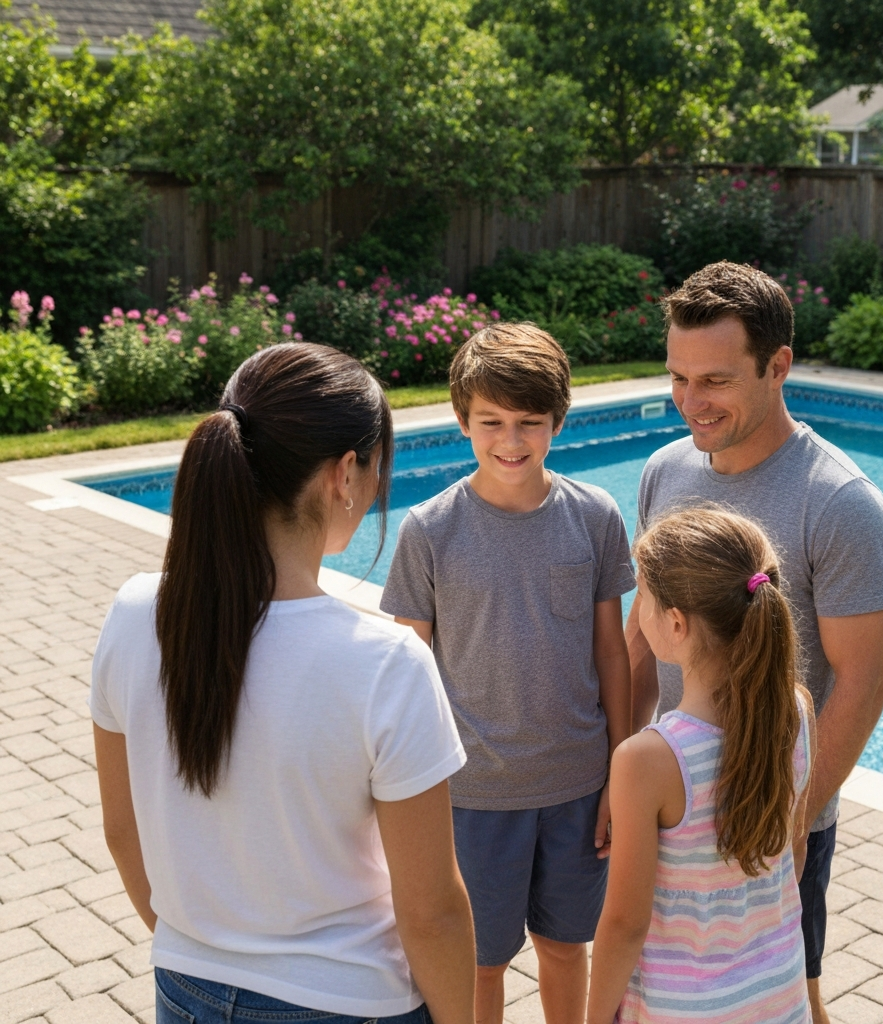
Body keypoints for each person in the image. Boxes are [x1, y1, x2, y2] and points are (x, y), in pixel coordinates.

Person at [91, 343, 476, 1024]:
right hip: (348, 1002)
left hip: (186, 985)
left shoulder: (133, 614)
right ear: (345, 474)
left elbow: (124, 833)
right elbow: (432, 911)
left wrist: (209, 950)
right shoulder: (384, 663)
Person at [627, 262, 883, 1024]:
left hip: (772, 818)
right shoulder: (663, 471)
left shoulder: (840, 504)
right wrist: (621, 769)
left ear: (777, 365)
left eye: (714, 380)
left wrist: (790, 824)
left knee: (787, 996)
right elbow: (641, 639)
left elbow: (862, 683)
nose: (689, 402)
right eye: (678, 377)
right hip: (673, 809)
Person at [380, 323, 635, 1024]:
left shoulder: (595, 517)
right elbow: (407, 674)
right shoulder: (429, 530)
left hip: (579, 786)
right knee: (480, 962)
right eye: (491, 422)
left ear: (559, 421)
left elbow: (612, 652)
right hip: (472, 794)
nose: (511, 441)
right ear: (462, 421)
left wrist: (619, 768)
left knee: (563, 947)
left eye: (530, 423)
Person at [587, 506, 816, 1023]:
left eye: (641, 594)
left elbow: (624, 923)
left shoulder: (650, 759)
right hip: (778, 995)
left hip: (680, 1008)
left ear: (675, 624)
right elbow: (793, 853)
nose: (636, 608)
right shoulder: (797, 711)